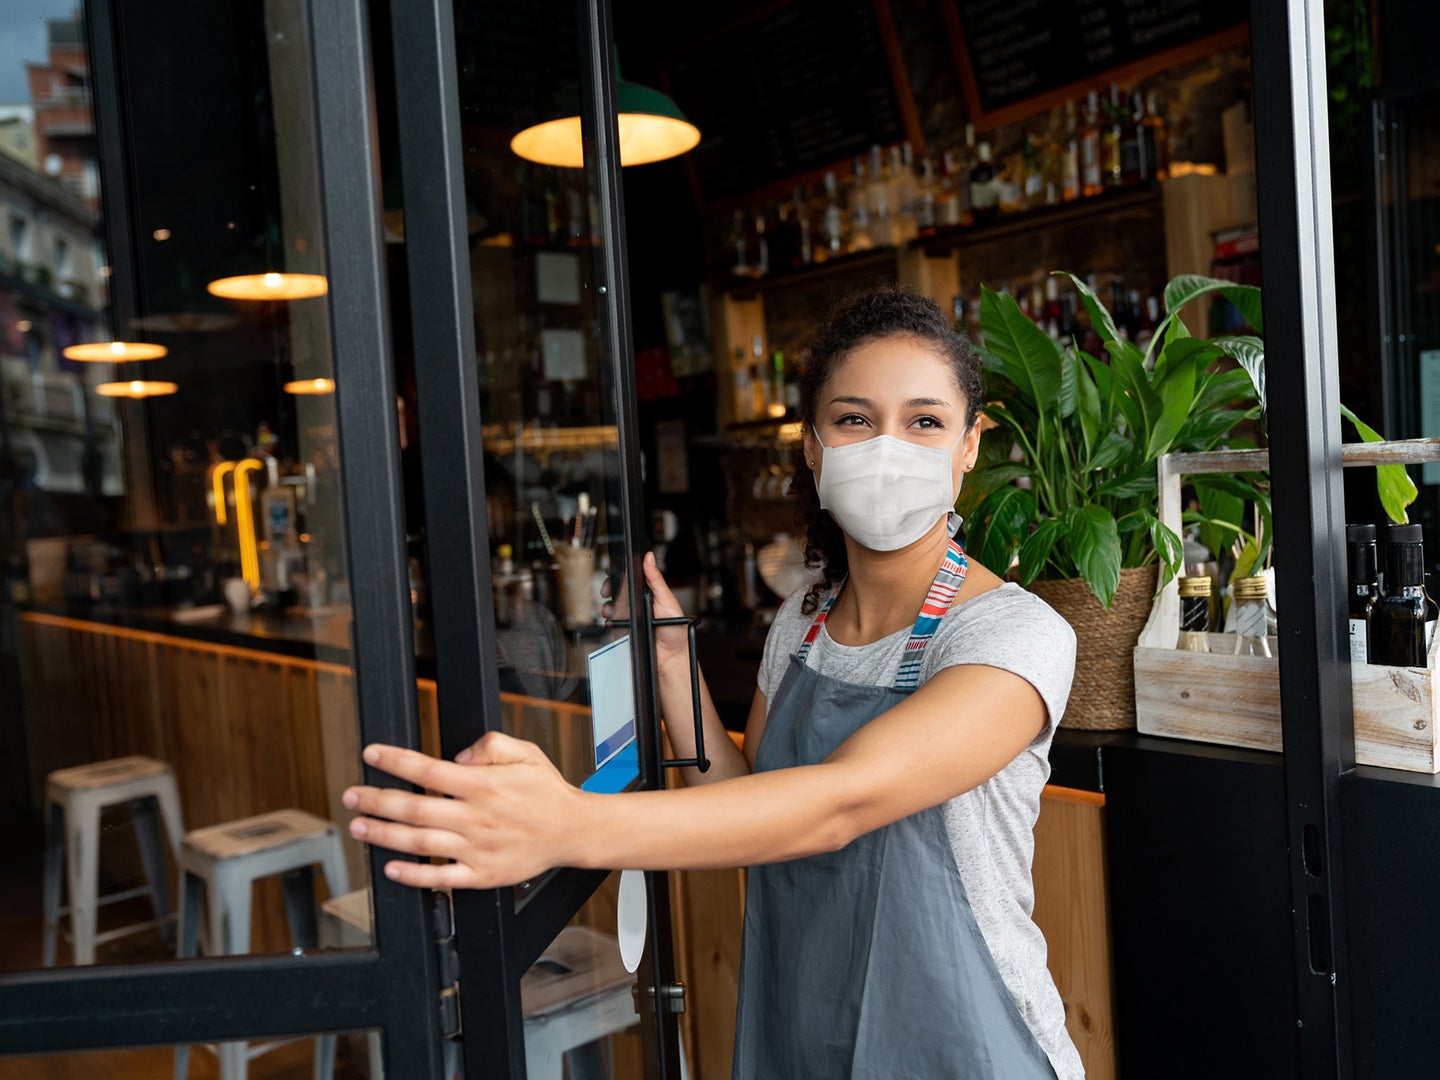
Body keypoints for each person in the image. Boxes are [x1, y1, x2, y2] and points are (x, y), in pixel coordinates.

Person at [343, 284, 1084, 1079]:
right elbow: (749, 801)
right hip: (801, 1029)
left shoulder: (1012, 635)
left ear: (969, 446)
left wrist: (567, 825)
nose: (887, 447)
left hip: (963, 1044)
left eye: (925, 422)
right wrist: (673, 667)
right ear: (812, 446)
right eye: (855, 419)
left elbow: (839, 804)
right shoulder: (802, 620)